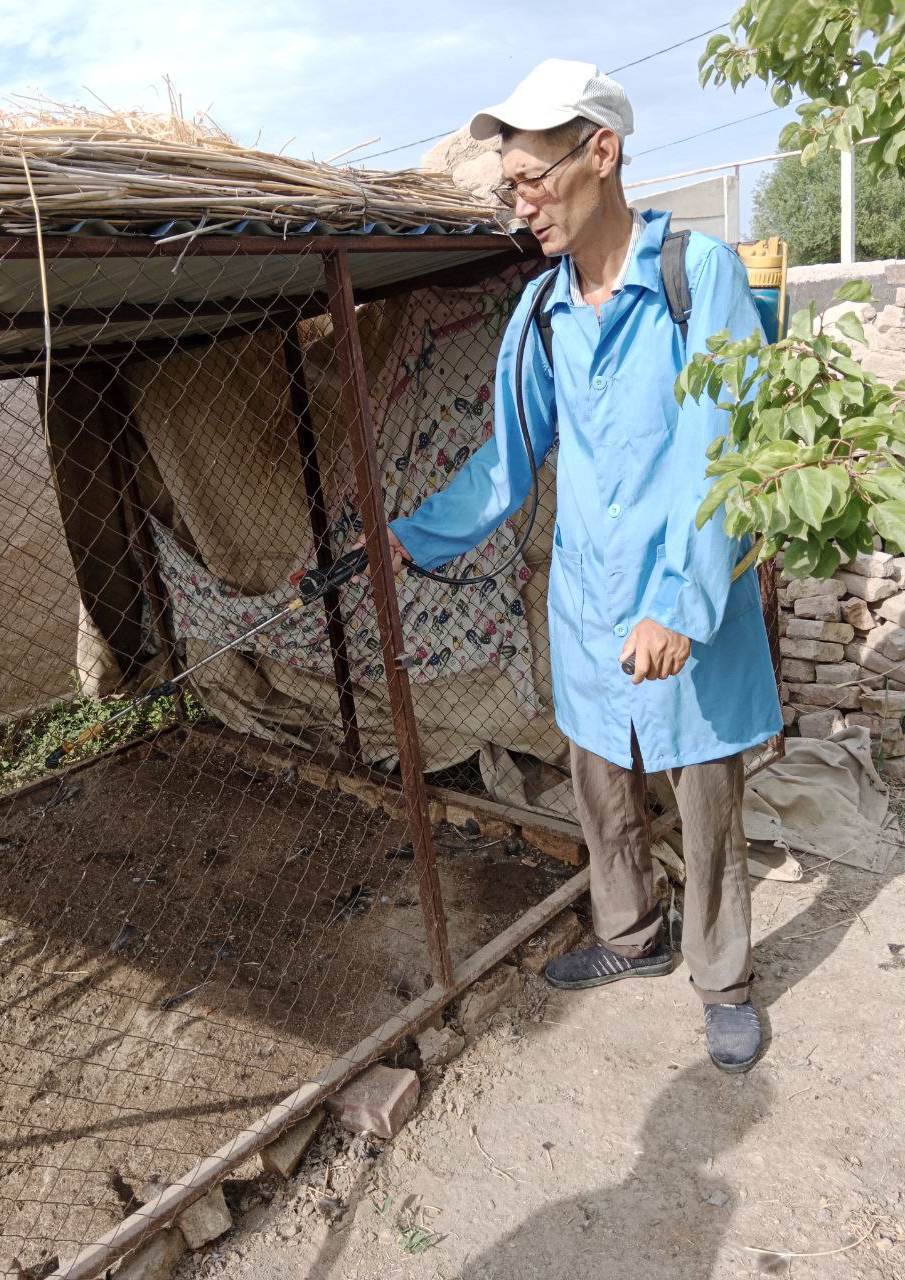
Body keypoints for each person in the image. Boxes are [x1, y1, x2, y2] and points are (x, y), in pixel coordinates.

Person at [382, 60, 782, 1072]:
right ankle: (631, 935)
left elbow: (728, 454)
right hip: (589, 599)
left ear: (601, 153)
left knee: (705, 794)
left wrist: (680, 604)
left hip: (683, 592)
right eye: (509, 185)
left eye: (531, 180)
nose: (520, 205)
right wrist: (412, 535)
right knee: (600, 778)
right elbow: (509, 456)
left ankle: (723, 977)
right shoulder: (542, 312)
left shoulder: (698, 278)